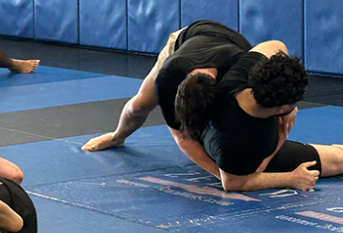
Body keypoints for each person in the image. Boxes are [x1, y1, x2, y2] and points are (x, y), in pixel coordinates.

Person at [176, 40, 343, 192]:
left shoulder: (244, 76)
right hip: (234, 158)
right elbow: (233, 183)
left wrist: (291, 107)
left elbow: (275, 44)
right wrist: (291, 178)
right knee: (342, 161)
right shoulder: (242, 141)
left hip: (222, 135)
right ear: (281, 108)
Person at [83, 20, 252, 156]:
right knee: (139, 106)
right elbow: (181, 138)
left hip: (233, 45)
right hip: (189, 37)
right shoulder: (170, 73)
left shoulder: (242, 69)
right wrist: (223, 177)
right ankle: (116, 137)